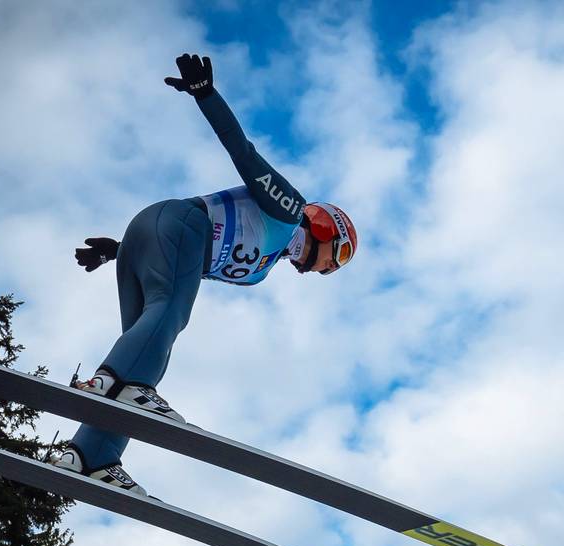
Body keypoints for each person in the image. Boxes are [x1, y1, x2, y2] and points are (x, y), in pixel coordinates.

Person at [50, 54, 358, 496]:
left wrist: (119, 251)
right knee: (167, 322)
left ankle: (90, 455)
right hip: (178, 223)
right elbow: (243, 153)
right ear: (327, 228)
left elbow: (190, 267)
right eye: (339, 256)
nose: (330, 268)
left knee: (151, 345)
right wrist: (207, 96)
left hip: (152, 240)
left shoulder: (262, 269)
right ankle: (116, 381)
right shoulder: (289, 209)